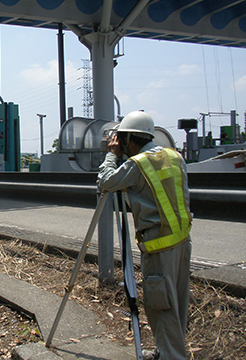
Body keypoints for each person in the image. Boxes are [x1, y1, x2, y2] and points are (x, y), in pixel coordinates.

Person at [98, 110, 192, 360]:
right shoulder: (174, 156)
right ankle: (167, 351)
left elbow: (106, 182)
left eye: (121, 139)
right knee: (177, 305)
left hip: (159, 245)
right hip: (182, 241)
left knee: (160, 306)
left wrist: (110, 155)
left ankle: (172, 357)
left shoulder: (137, 164)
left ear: (129, 139)